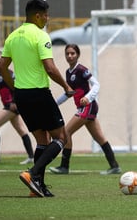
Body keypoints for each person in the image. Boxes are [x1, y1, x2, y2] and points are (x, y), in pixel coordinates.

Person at [0, 0, 75, 198]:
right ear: (37, 15)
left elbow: (2, 67)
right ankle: (32, 173)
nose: (47, 19)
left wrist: (14, 87)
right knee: (61, 137)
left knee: (43, 140)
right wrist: (66, 86)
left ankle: (37, 187)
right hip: (39, 93)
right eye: (45, 15)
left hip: (22, 97)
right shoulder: (41, 36)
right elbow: (50, 68)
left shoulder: (12, 36)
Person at [49, 44, 121, 175]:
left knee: (66, 132)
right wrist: (54, 103)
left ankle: (64, 166)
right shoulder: (68, 72)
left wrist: (88, 97)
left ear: (78, 55)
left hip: (88, 106)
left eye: (73, 53)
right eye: (67, 54)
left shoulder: (82, 70)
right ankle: (114, 166)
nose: (70, 56)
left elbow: (96, 85)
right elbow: (69, 93)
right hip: (85, 108)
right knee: (99, 138)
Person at [0, 49, 34, 165]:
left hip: (11, 106)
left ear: (3, 60)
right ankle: (31, 156)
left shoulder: (8, 73)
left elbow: (17, 87)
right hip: (9, 106)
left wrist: (15, 102)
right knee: (22, 130)